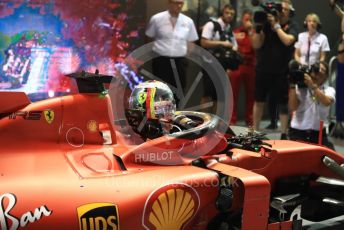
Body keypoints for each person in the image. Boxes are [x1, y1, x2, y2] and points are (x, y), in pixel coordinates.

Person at [250, 0, 298, 139]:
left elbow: (288, 40)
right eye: (280, 8)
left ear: (290, 12)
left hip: (282, 70)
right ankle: (255, 131)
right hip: (263, 68)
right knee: (259, 101)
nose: (281, 11)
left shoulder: (292, 26)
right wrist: (259, 28)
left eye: (284, 9)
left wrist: (276, 26)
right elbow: (256, 45)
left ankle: (283, 133)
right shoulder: (265, 24)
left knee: (283, 103)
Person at [145, 0, 198, 92]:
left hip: (180, 61)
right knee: (160, 89)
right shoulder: (157, 19)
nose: (179, 6)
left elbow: (192, 40)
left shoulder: (188, 21)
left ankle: (177, 106)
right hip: (161, 60)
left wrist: (187, 55)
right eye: (176, 3)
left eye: (181, 3)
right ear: (169, 3)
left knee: (179, 90)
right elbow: (149, 38)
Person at [288, 62, 335, 149]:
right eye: (317, 69)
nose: (319, 72)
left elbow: (326, 102)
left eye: (323, 70)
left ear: (326, 76)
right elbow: (293, 107)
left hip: (318, 133)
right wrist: (292, 86)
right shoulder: (300, 87)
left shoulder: (329, 90)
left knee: (333, 159)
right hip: (298, 132)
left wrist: (312, 85)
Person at [200, 4, 238, 113]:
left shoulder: (229, 29)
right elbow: (204, 42)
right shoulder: (211, 25)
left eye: (232, 14)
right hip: (209, 64)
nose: (229, 15)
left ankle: (214, 125)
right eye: (227, 13)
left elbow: (234, 46)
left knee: (218, 97)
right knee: (207, 95)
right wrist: (222, 43)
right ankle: (203, 123)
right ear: (222, 13)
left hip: (223, 66)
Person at [230, 9, 255, 126]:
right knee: (233, 94)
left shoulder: (254, 33)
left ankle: (250, 120)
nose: (248, 22)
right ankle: (232, 120)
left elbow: (255, 47)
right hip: (237, 66)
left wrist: (250, 31)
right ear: (242, 20)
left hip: (250, 66)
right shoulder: (236, 32)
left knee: (251, 95)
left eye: (250, 20)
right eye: (246, 19)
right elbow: (233, 48)